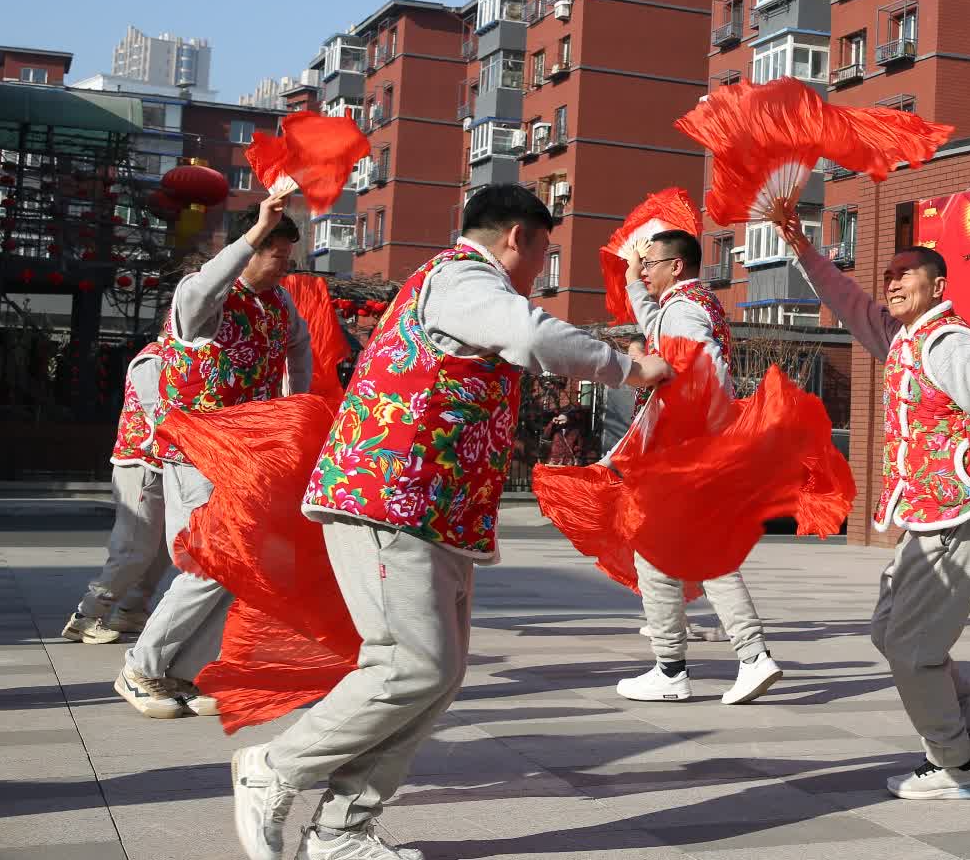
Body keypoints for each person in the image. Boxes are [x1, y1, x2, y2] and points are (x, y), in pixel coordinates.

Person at [230, 184, 670, 860]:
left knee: (436, 671)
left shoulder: (456, 286)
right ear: (517, 237)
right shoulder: (462, 276)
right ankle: (274, 768)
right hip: (389, 497)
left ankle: (342, 832)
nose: (537, 275)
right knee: (413, 663)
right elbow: (529, 332)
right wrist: (629, 366)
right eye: (543, 254)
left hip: (431, 509)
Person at [788, 218, 970, 801]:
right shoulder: (904, 337)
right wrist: (800, 245)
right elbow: (847, 300)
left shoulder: (948, 343)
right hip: (928, 515)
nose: (893, 284)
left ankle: (955, 765)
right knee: (889, 631)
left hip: (956, 511)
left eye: (907, 275)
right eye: (889, 276)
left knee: (911, 648)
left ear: (939, 286)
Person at [116, 197, 311, 720]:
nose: (286, 267)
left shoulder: (279, 305)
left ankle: (185, 672)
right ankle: (140, 667)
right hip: (194, 452)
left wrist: (296, 408)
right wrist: (252, 234)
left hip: (246, 455)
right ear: (249, 250)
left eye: (289, 257)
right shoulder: (200, 300)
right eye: (278, 255)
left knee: (238, 566)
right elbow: (205, 284)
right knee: (210, 563)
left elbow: (300, 347)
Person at [613, 228, 782, 706]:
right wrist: (630, 280)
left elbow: (704, 367)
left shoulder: (684, 309)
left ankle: (707, 665)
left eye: (650, 264)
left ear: (676, 267)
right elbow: (658, 328)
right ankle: (716, 661)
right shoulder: (683, 305)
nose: (644, 271)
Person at [64, 343, 170, 645]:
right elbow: (162, 412)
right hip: (141, 464)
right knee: (134, 548)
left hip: (163, 466)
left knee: (163, 548)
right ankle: (87, 616)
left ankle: (132, 609)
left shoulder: (178, 359)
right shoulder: (153, 359)